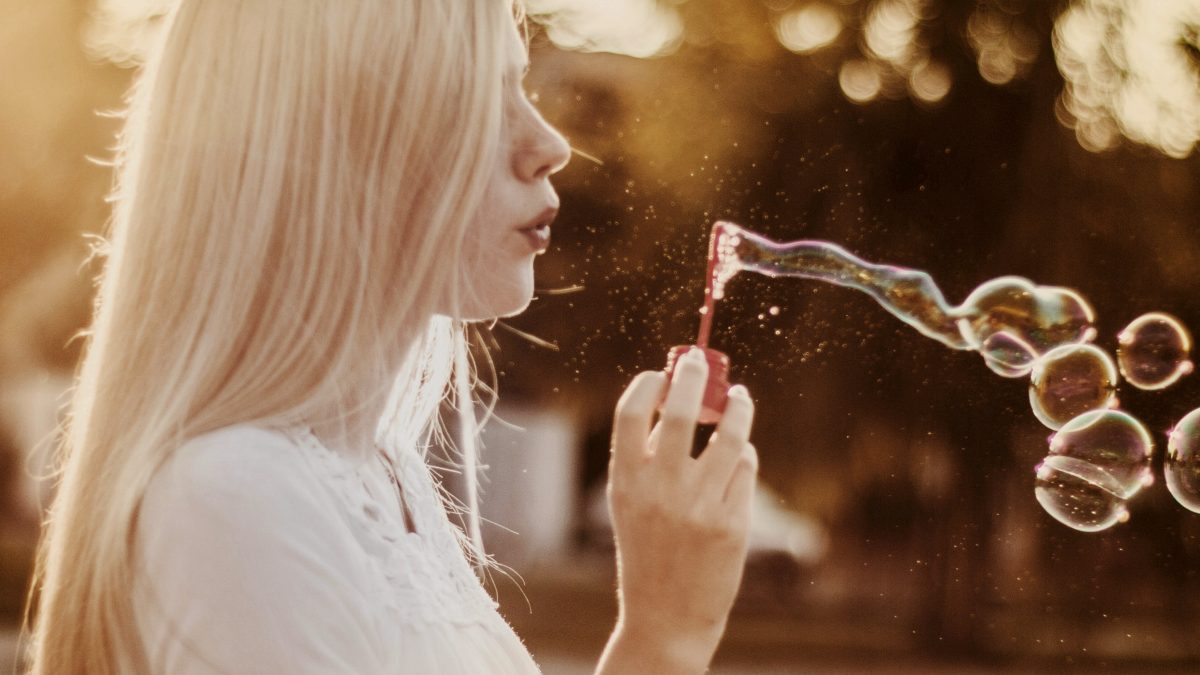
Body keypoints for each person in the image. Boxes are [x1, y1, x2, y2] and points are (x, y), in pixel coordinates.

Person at [24, 2, 759, 673]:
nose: (550, 144)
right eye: (478, 100)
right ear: (337, 146)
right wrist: (663, 636)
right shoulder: (236, 495)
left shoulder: (380, 472)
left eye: (521, 91)